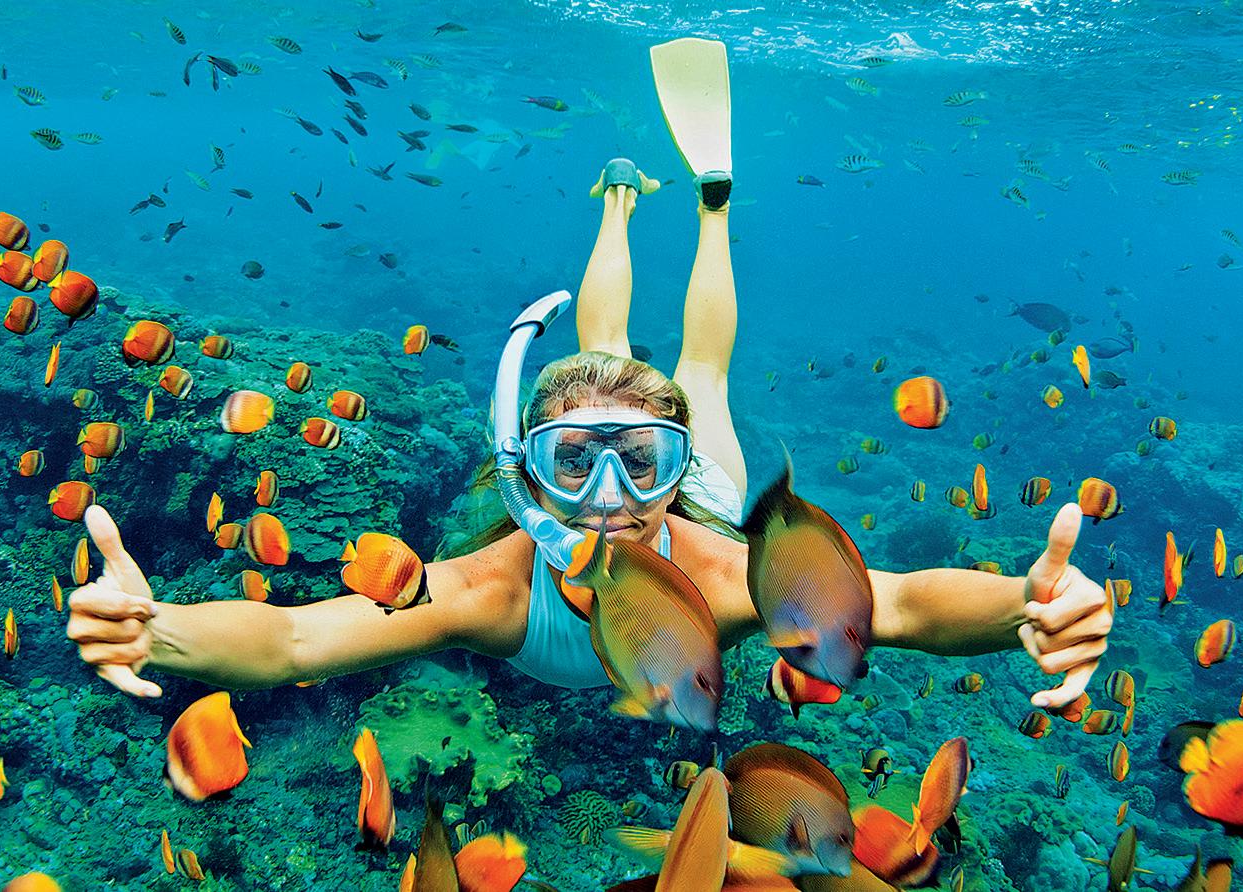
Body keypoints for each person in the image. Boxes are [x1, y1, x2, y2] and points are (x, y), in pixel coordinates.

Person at [65, 39, 1113, 715]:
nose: (610, 494)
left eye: (639, 459)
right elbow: (298, 636)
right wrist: (161, 631)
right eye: (575, 461)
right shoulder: (490, 590)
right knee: (611, 348)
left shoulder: (724, 571)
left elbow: (903, 605)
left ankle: (708, 208)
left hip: (708, 507)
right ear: (528, 473)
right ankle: (618, 205)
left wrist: (1026, 605)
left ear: (675, 467)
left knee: (697, 369)